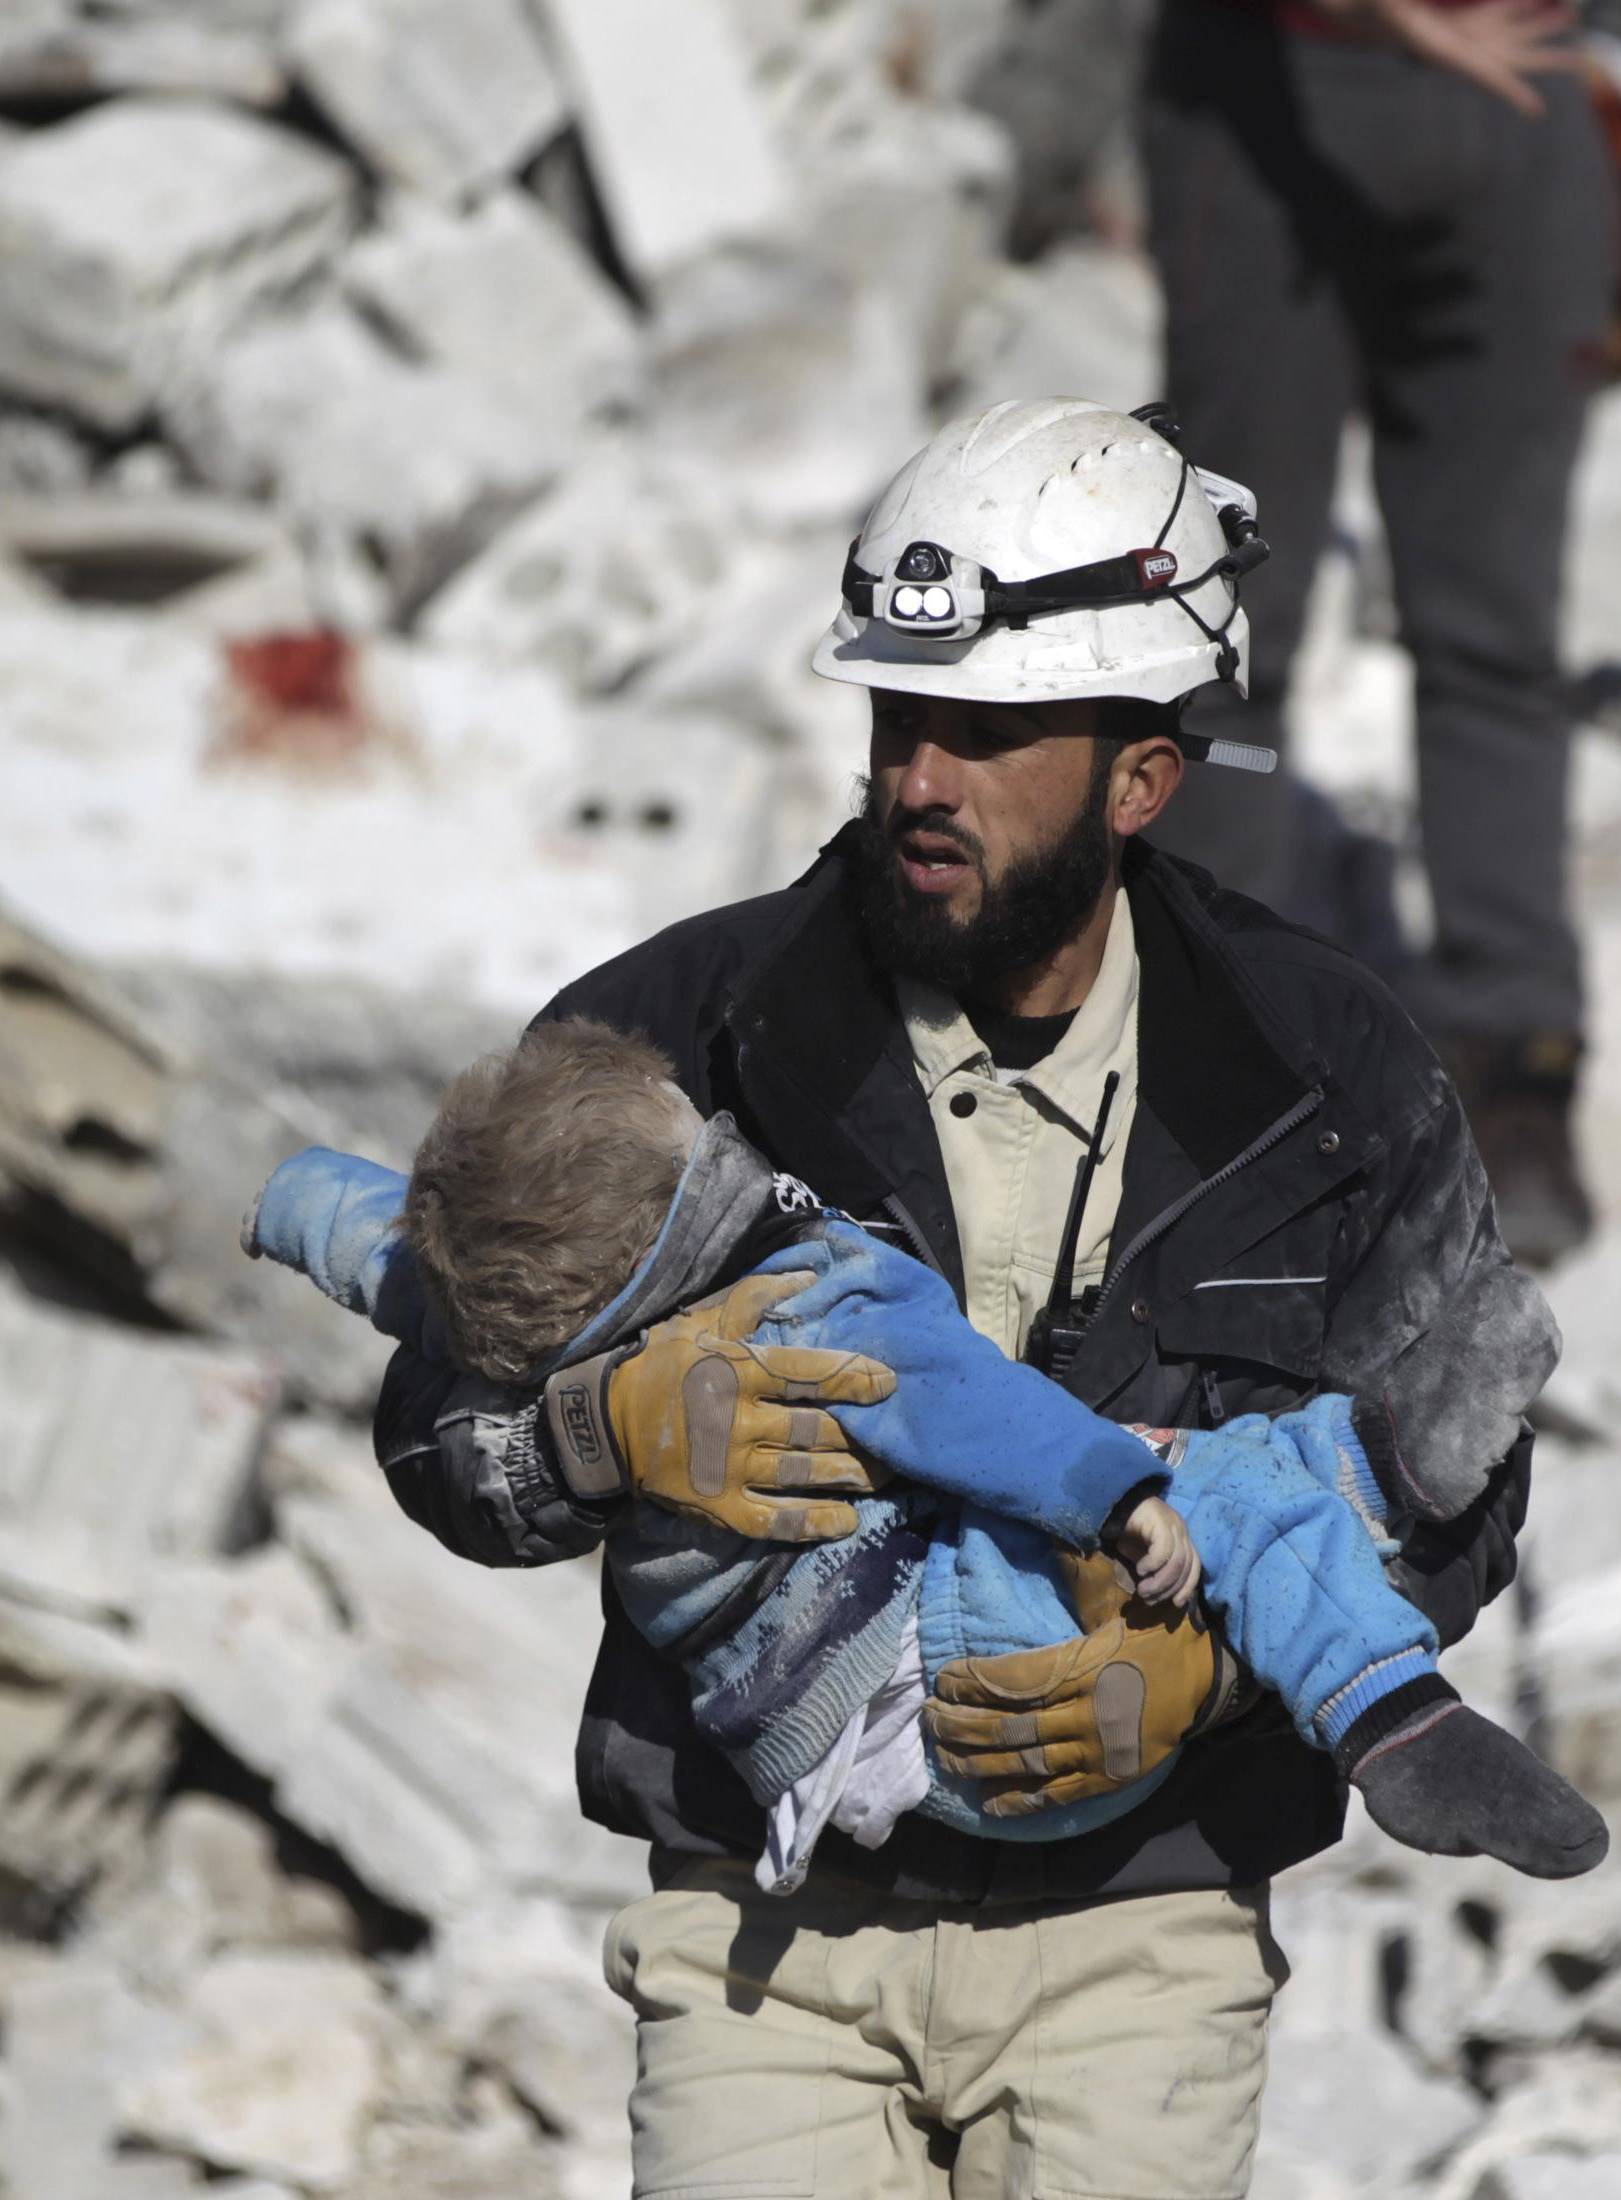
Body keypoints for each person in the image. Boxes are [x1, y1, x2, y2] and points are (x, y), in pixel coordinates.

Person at [372, 397, 1559, 2199]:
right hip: (763, 1935)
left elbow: (1462, 1489)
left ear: (1140, 775)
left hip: (1141, 1945)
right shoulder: (674, 1039)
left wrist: (1214, 1676)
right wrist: (596, 1435)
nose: (919, 775)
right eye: (897, 718)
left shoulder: (1326, 1068)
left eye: (987, 732)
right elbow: (429, 1427)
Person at [247, 1018, 1604, 1894]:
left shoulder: (511, 1314)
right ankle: (1390, 1709)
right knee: (1207, 1490)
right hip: (972, 1676)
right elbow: (980, 1409)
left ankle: (1351, 1462)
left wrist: (290, 1195)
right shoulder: (811, 1298)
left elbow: (391, 1251)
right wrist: (1122, 1501)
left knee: (1220, 1467)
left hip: (805, 1737)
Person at [1140, 0, 1621, 1266]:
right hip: (1272, 86)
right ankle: (1209, 1073)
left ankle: (1518, 1070)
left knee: (1499, 636)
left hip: (1516, 90)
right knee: (1228, 645)